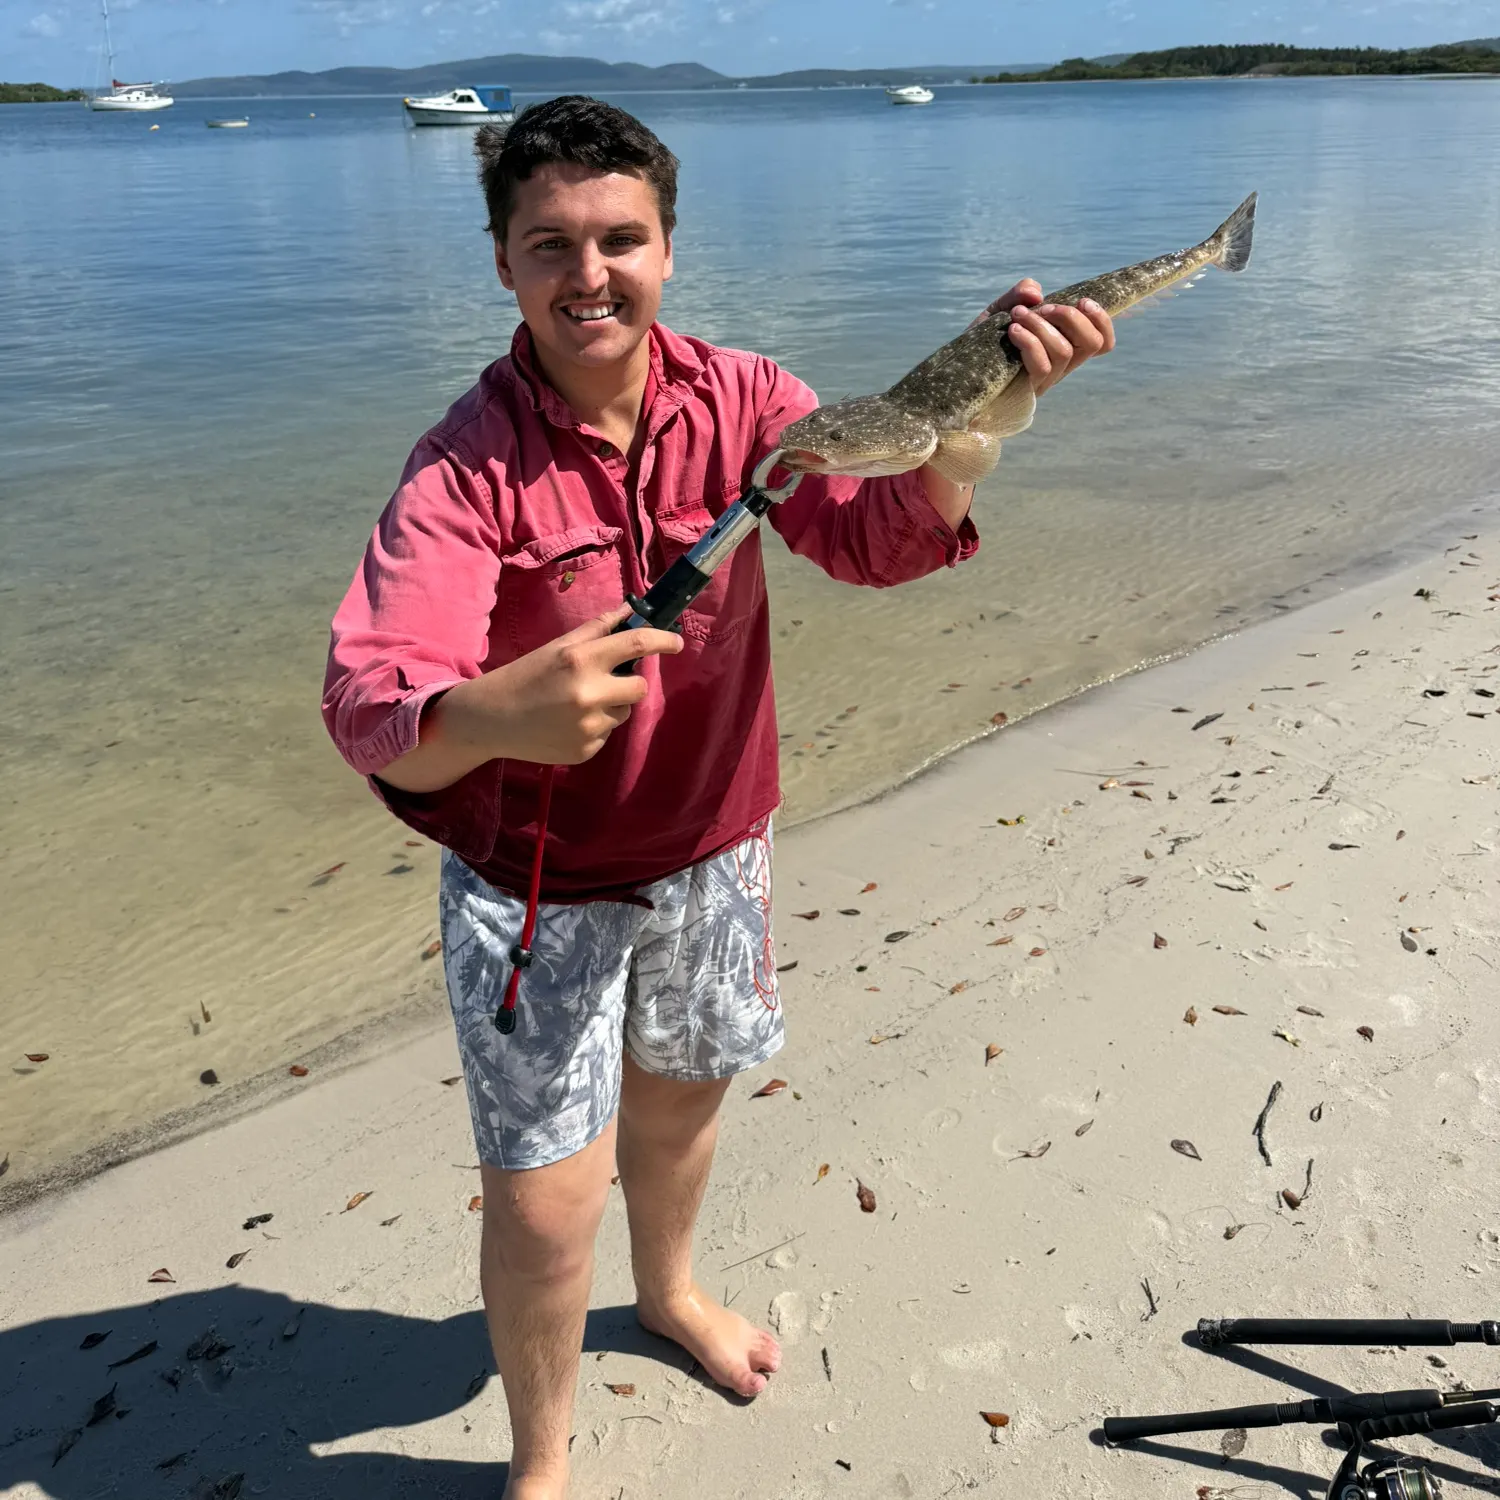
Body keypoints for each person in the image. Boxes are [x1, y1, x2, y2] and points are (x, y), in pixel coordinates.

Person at [322, 94, 1114, 1500]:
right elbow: (370, 702)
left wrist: (989, 413)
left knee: (683, 1113)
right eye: (550, 244)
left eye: (620, 238)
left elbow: (867, 541)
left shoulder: (749, 402)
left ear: (668, 249)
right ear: (504, 264)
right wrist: (492, 711)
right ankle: (545, 1460)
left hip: (715, 851)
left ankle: (672, 1289)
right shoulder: (464, 467)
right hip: (536, 892)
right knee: (547, 1205)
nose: (590, 274)